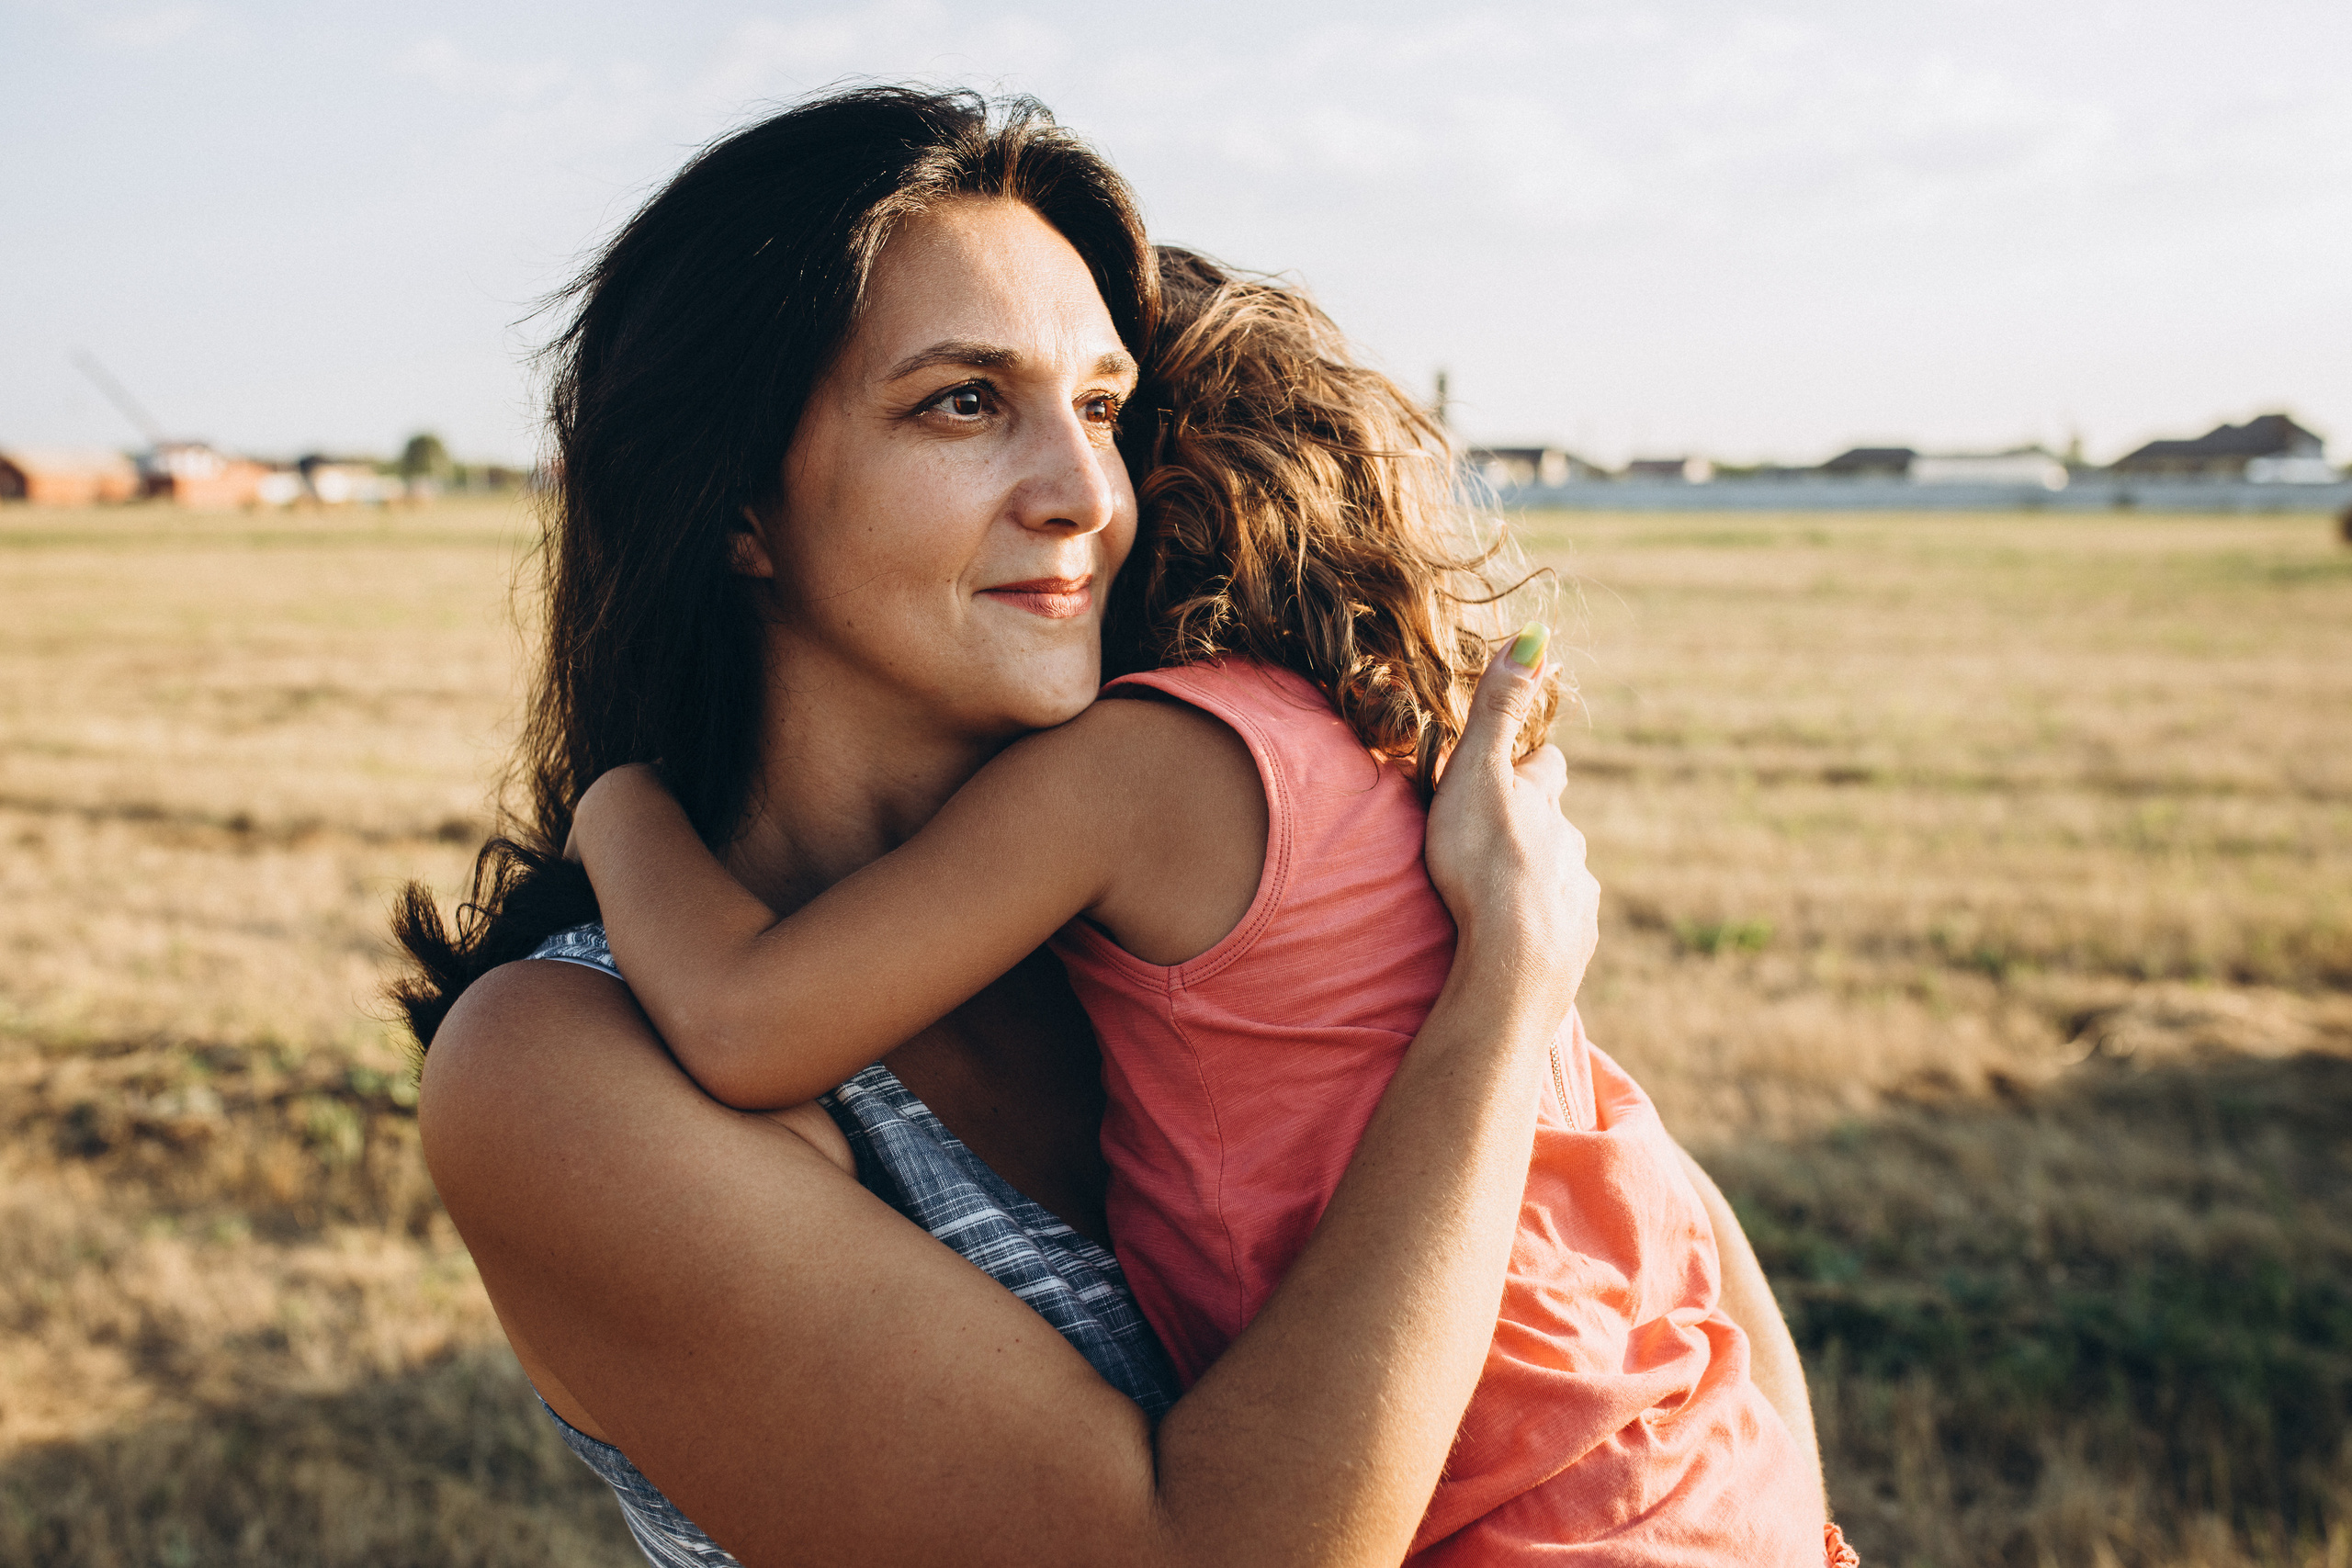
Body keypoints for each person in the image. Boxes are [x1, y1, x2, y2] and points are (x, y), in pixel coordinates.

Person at [394, 86, 1815, 1567]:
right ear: (736, 506)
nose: (1087, 493)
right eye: (963, 401)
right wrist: (1504, 988)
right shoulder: (562, 1072)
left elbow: (1663, 1251)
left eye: (1101, 409)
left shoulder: (1195, 879)